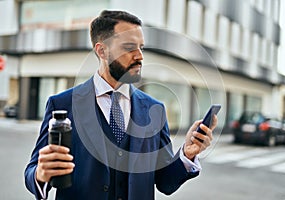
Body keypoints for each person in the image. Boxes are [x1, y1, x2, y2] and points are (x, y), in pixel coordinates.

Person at [24, 10, 218, 200]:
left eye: (141, 47)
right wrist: (41, 173)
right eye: (129, 47)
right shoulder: (63, 104)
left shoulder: (155, 110)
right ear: (102, 50)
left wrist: (186, 154)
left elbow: (165, 182)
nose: (140, 56)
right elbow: (32, 172)